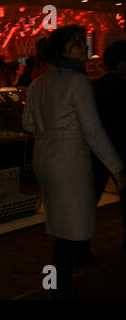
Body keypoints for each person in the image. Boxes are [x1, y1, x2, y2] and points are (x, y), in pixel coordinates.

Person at [22, 25, 126, 299]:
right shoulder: (77, 82)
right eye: (78, 43)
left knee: (61, 224)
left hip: (44, 158)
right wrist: (117, 167)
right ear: (61, 50)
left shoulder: (38, 82)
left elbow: (27, 123)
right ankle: (61, 286)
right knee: (71, 230)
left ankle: (60, 282)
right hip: (69, 161)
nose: (85, 47)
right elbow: (93, 131)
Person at [92, 40, 126, 250]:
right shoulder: (123, 87)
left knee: (90, 198)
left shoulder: (94, 86)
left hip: (97, 149)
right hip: (122, 150)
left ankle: (80, 247)